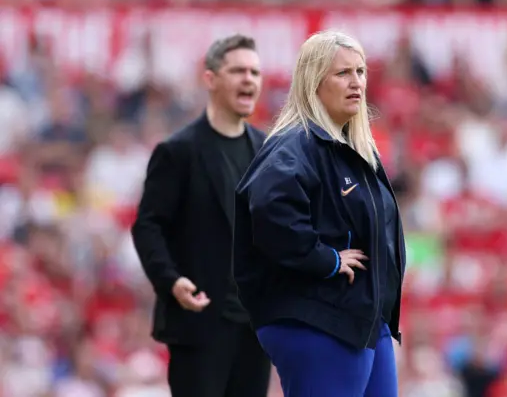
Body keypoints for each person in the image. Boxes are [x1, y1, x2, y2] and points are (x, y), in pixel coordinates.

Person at [234, 29, 405, 397]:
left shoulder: (354, 151)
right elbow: (269, 209)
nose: (356, 81)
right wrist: (323, 260)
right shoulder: (295, 145)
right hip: (318, 317)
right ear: (313, 81)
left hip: (363, 320)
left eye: (360, 72)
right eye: (342, 73)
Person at [131, 34, 271, 397]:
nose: (249, 80)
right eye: (238, 70)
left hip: (255, 327)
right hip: (200, 323)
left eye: (255, 72)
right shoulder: (178, 152)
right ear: (210, 79)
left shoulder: (268, 150)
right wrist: (170, 279)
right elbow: (148, 225)